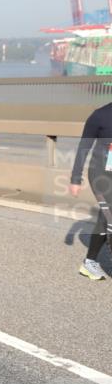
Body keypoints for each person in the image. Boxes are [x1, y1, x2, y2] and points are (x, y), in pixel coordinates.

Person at [69, 101, 112, 280]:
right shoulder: (99, 115)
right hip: (101, 176)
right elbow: (83, 147)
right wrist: (75, 179)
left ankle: (90, 262)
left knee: (105, 217)